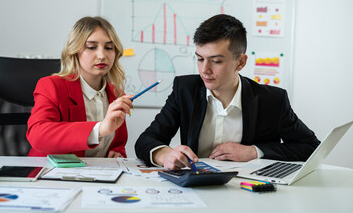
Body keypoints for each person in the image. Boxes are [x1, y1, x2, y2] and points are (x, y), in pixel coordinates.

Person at [135, 14, 320, 170]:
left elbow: (310, 147)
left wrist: (254, 151)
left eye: (215, 61)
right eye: (200, 59)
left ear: (240, 62)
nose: (204, 70)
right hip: (196, 189)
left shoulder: (272, 100)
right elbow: (146, 140)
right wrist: (164, 154)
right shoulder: (185, 89)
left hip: (248, 192)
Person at [27, 16, 133, 157]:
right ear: (75, 50)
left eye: (109, 48)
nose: (102, 55)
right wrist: (99, 129)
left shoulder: (116, 92)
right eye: (91, 47)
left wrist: (117, 152)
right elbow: (38, 135)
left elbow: (117, 143)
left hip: (100, 174)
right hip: (51, 174)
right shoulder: (51, 85)